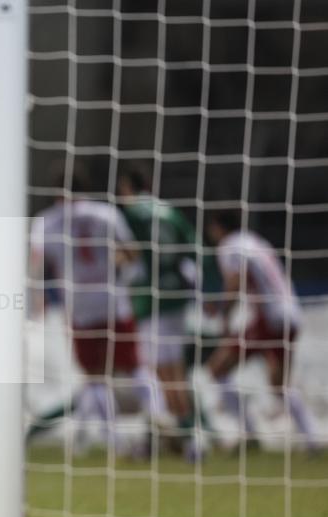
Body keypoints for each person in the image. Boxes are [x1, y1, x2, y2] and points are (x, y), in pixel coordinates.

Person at [31, 165, 169, 455]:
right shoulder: (107, 214)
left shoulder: (46, 222)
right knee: (134, 366)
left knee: (95, 376)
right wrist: (116, 266)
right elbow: (131, 253)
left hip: (80, 307)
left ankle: (115, 442)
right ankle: (158, 414)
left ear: (57, 193)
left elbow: (37, 265)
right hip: (113, 301)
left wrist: (39, 300)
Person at [204, 209, 317, 452]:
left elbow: (236, 280)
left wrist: (224, 313)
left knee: (216, 368)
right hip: (291, 313)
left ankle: (249, 433)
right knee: (279, 384)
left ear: (216, 226)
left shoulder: (229, 246)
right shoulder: (256, 241)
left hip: (270, 317)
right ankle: (312, 438)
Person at [117, 163, 208, 459]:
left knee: (150, 371)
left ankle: (156, 436)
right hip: (176, 296)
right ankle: (192, 442)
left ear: (128, 188)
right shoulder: (170, 211)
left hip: (149, 299)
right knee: (175, 373)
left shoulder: (131, 214)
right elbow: (193, 251)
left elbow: (128, 254)